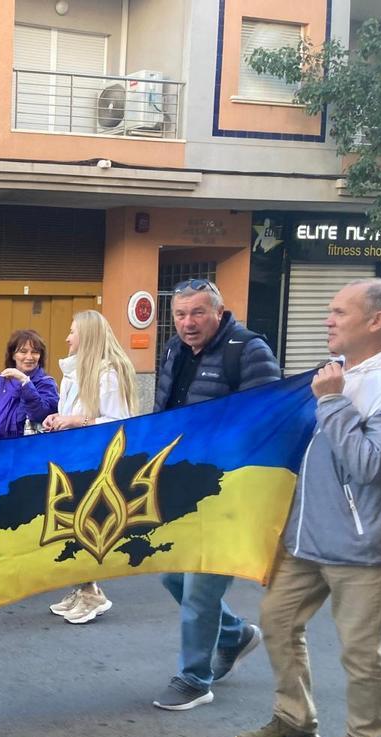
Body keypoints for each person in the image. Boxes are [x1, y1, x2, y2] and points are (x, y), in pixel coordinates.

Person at [235, 278, 381, 737]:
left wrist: (333, 402)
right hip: (306, 540)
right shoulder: (334, 374)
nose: (327, 319)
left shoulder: (361, 385)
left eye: (339, 311)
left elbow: (370, 466)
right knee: (276, 621)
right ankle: (296, 721)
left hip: (361, 548)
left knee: (361, 654)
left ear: (375, 321)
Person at [151, 278, 281, 711]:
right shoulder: (174, 351)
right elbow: (163, 415)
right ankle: (234, 635)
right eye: (180, 314)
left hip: (230, 491)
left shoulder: (248, 350)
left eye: (198, 313)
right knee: (173, 577)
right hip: (184, 488)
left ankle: (194, 678)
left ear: (219, 313)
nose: (188, 322)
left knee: (200, 588)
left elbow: (268, 421)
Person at [42, 310, 137, 625]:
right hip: (76, 458)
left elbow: (119, 422)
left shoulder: (109, 374)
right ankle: (82, 587)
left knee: (86, 525)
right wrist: (58, 419)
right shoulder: (75, 372)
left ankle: (92, 592)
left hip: (96, 463)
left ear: (88, 336)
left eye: (73, 332)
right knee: (72, 524)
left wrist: (74, 420)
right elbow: (73, 413)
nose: (67, 338)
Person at [0, 329, 58, 441]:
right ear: (13, 355)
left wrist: (25, 382)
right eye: (23, 351)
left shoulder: (46, 383)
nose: (29, 357)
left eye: (35, 352)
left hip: (25, 447)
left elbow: (41, 414)